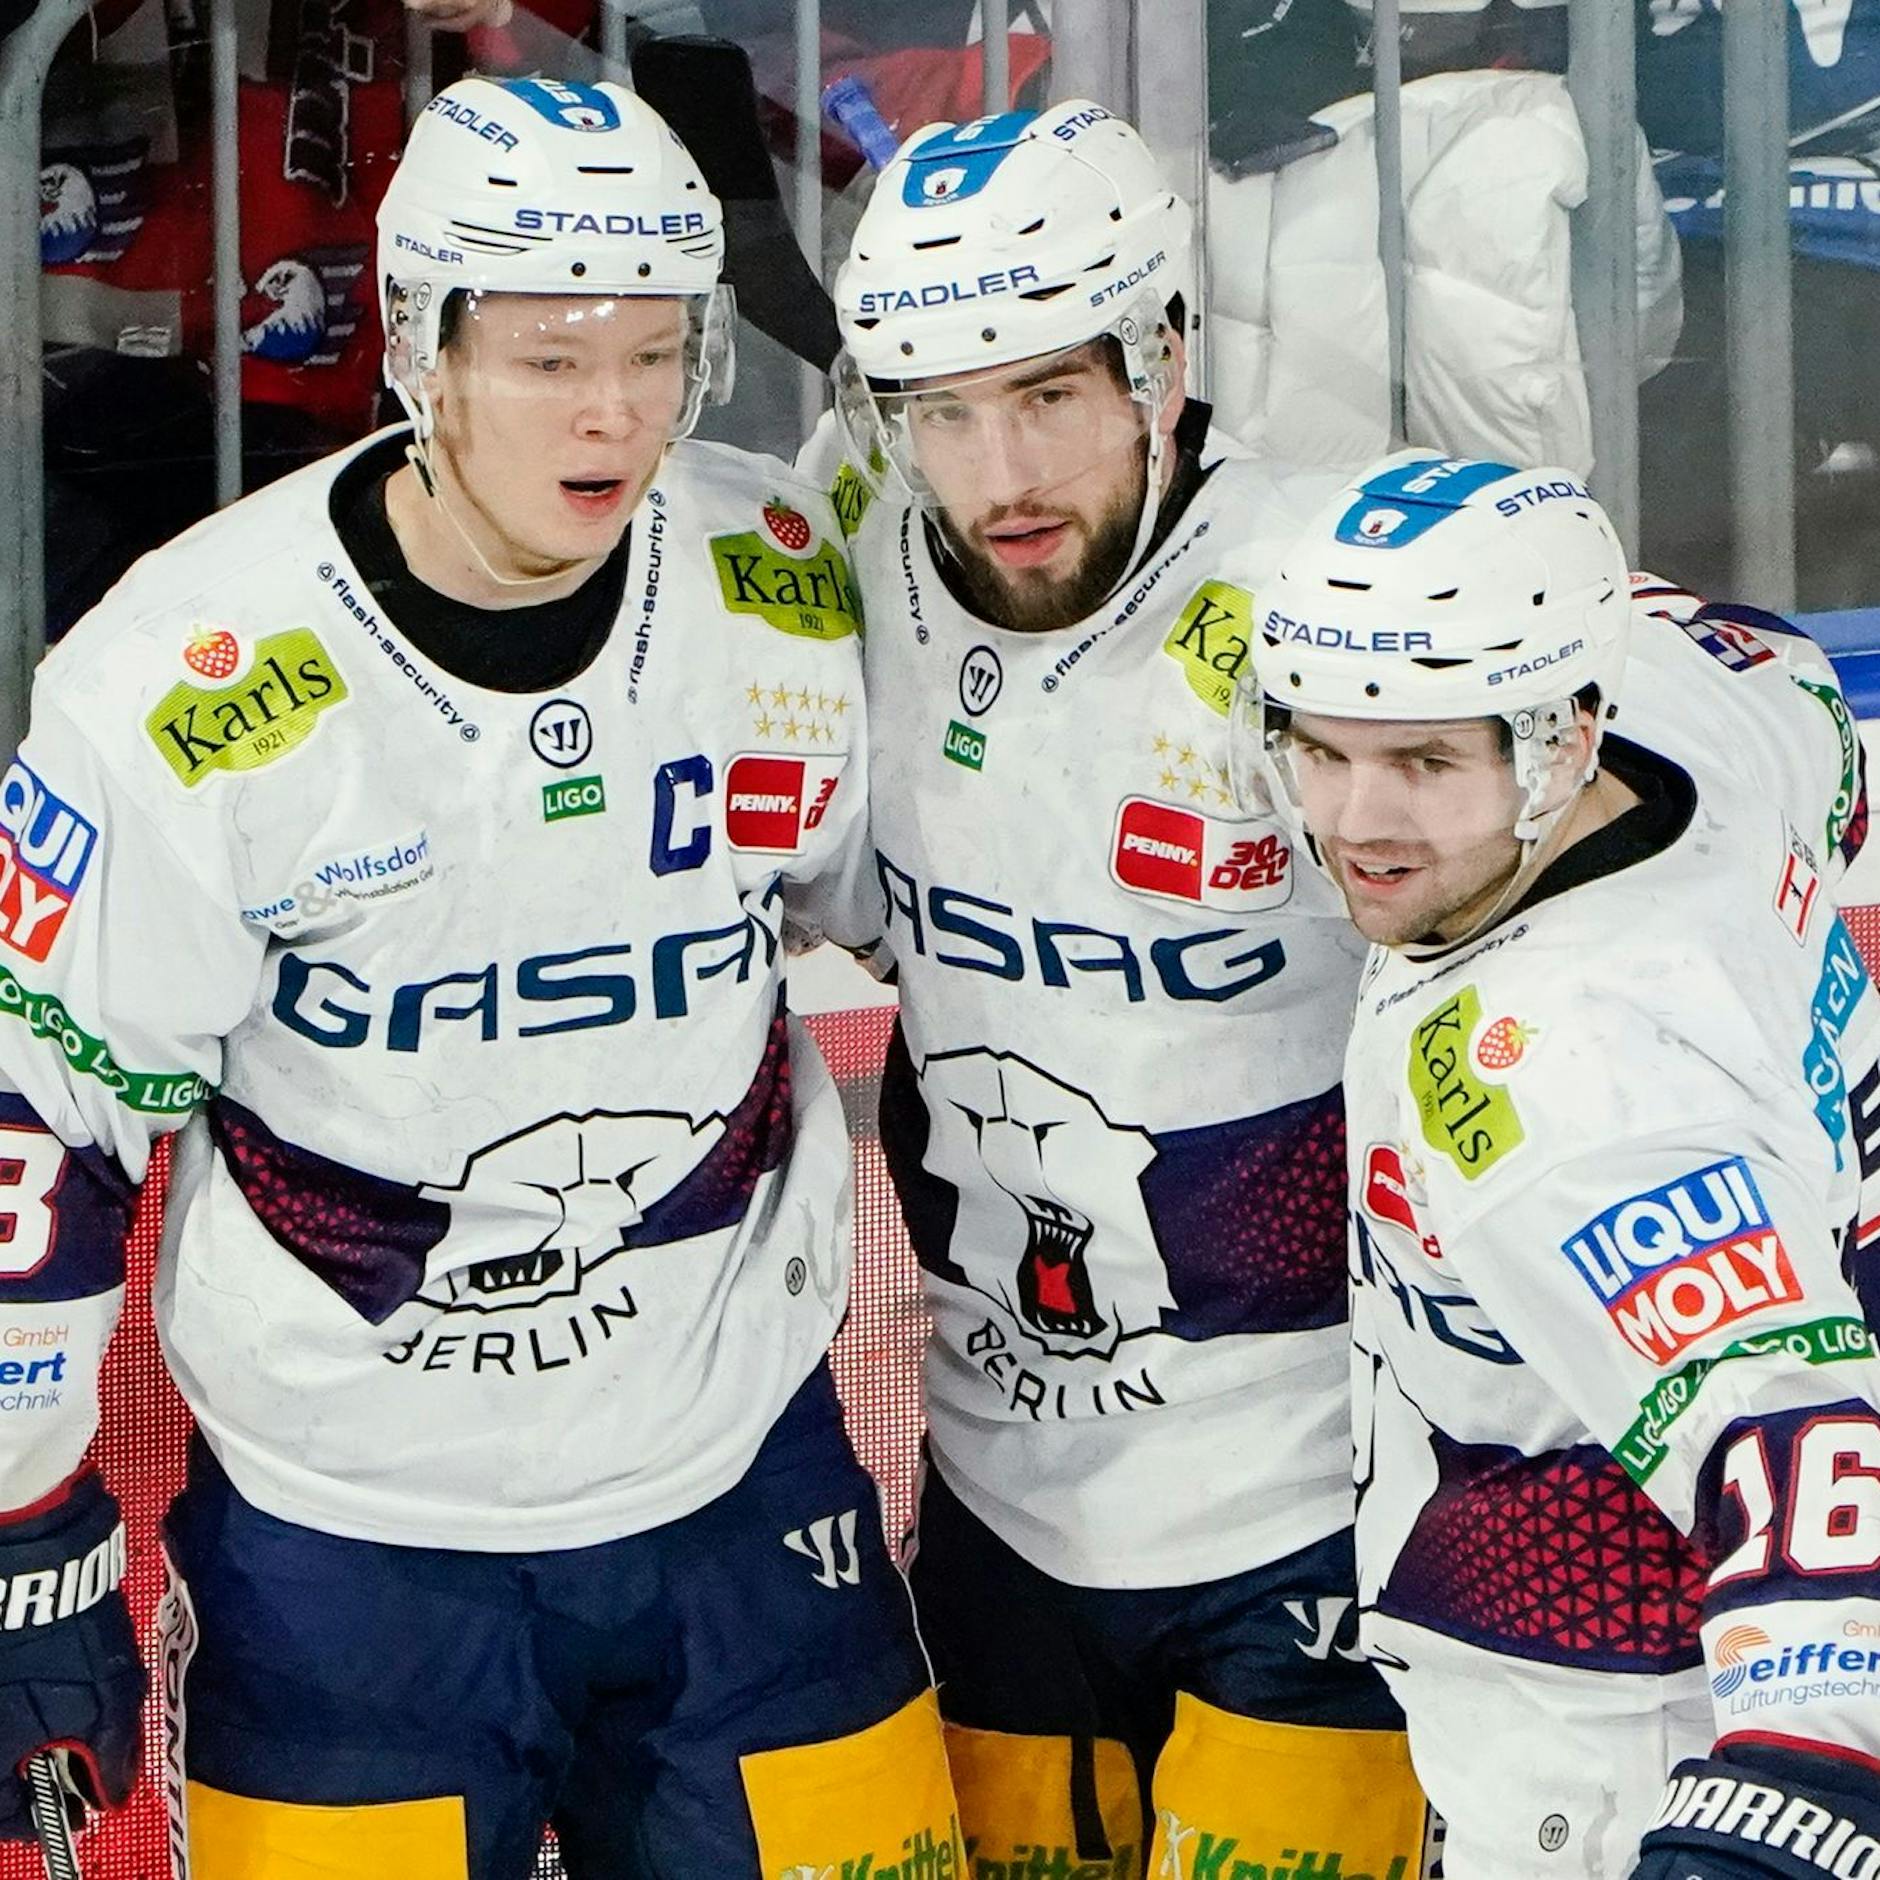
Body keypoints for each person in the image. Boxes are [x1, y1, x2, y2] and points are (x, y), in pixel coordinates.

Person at [0, 74, 960, 1879]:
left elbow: (926, 897)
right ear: (416, 345)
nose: (614, 413)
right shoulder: (183, 684)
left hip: (742, 1492)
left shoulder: (776, 581)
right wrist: (16, 1531)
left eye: (657, 351)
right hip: (346, 1548)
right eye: (544, 358)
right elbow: (39, 1113)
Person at [825, 101, 1434, 1877]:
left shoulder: (1332, 584)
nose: (998, 472)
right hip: (1002, 1522)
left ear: (1165, 360)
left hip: (1326, 1516)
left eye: (1051, 397)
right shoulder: (846, 542)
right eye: (944, 411)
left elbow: (1714, 717)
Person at [1232, 451, 1880, 1876]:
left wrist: (1771, 1817)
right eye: (1322, 748)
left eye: (1424, 761)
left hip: (1607, 1741)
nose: (1356, 824)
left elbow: (1810, 1457)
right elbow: (1765, 669)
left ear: (1567, 735)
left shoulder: (1560, 1096)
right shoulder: (1722, 698)